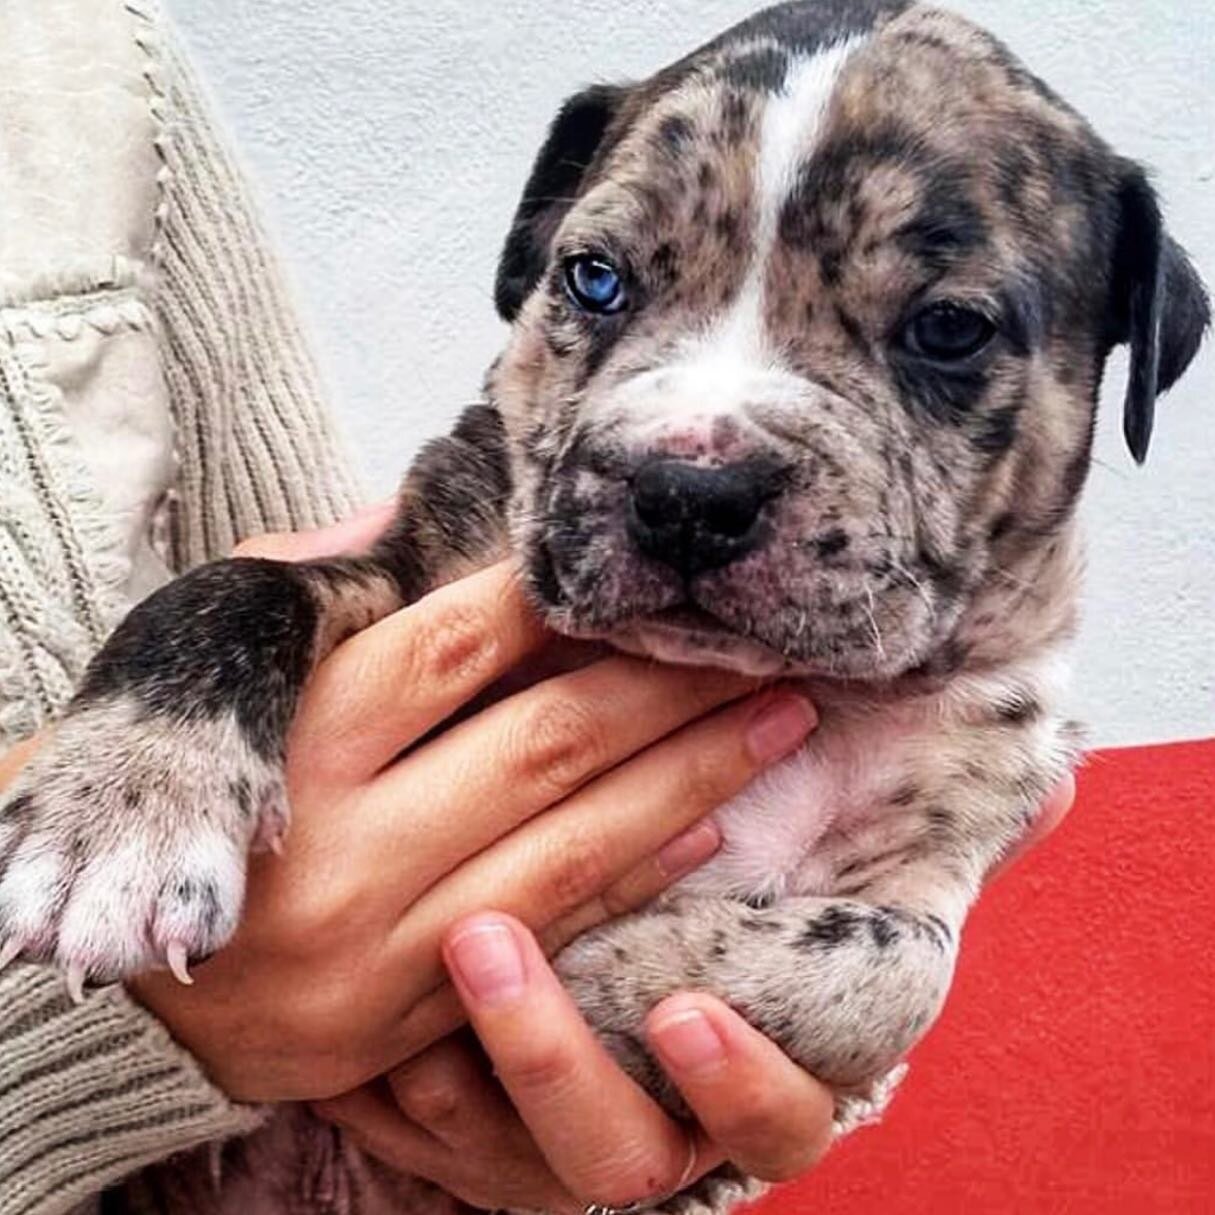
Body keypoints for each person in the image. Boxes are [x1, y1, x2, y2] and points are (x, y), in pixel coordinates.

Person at [0, 4, 1073, 1214]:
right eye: (605, 282)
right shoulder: (493, 516)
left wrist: (693, 1116)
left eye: (941, 331)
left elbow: (771, 1075)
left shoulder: (984, 720)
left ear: (1110, 364)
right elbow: (297, 582)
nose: (693, 457)